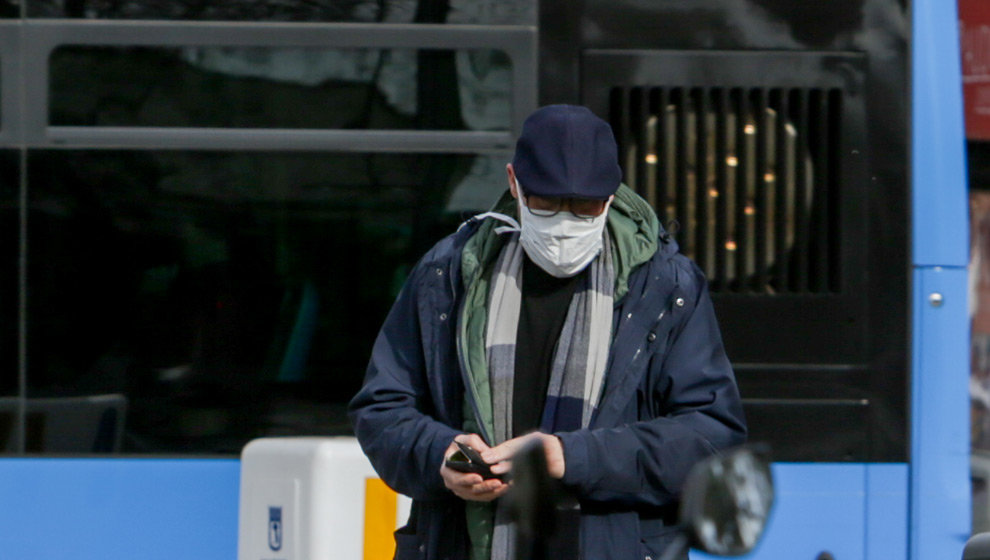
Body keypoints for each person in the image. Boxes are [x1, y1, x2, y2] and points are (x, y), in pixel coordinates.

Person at [348, 104, 746, 560]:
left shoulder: (664, 287)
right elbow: (381, 409)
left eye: (584, 207)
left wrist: (569, 458)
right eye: (546, 203)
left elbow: (711, 436)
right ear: (514, 183)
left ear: (611, 196)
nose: (564, 223)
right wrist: (441, 456)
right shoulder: (448, 274)